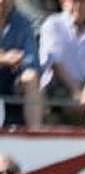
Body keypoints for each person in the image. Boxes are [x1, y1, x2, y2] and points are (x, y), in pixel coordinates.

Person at [37, 0, 85, 123]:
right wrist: (76, 91)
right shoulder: (52, 24)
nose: (78, 6)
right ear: (63, 3)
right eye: (74, 1)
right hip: (59, 88)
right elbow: (55, 62)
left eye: (83, 2)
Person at [0, 0, 43, 128]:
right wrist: (3, 59)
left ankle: (35, 136)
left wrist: (15, 62)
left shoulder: (24, 23)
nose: (2, 2)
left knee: (31, 77)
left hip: (13, 79)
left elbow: (31, 61)